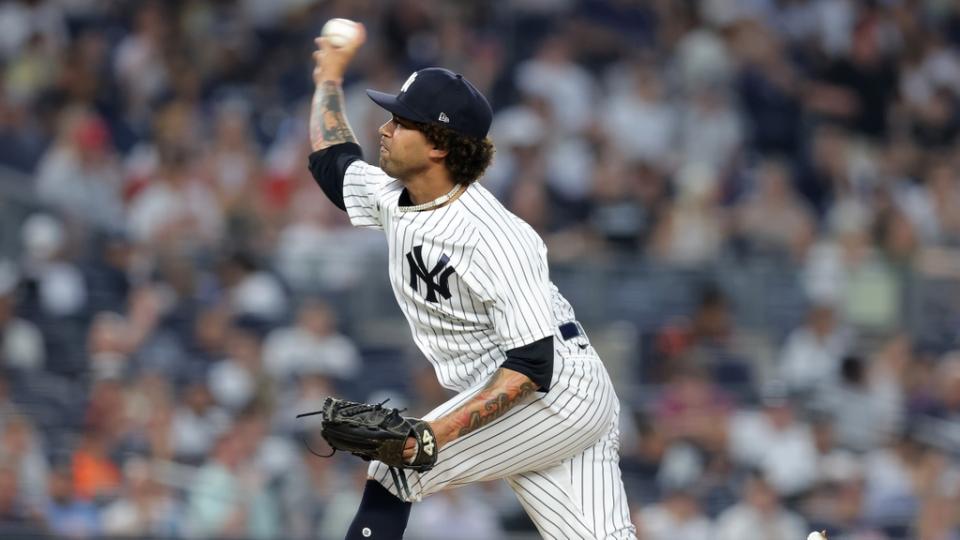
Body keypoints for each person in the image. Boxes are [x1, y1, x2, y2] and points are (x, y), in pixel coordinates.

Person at [306, 23, 636, 540]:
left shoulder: (496, 237)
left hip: (553, 395)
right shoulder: (396, 195)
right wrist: (328, 77)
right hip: (543, 392)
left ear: (439, 145)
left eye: (402, 121)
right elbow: (332, 162)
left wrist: (431, 435)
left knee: (395, 470)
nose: (385, 129)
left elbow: (532, 365)